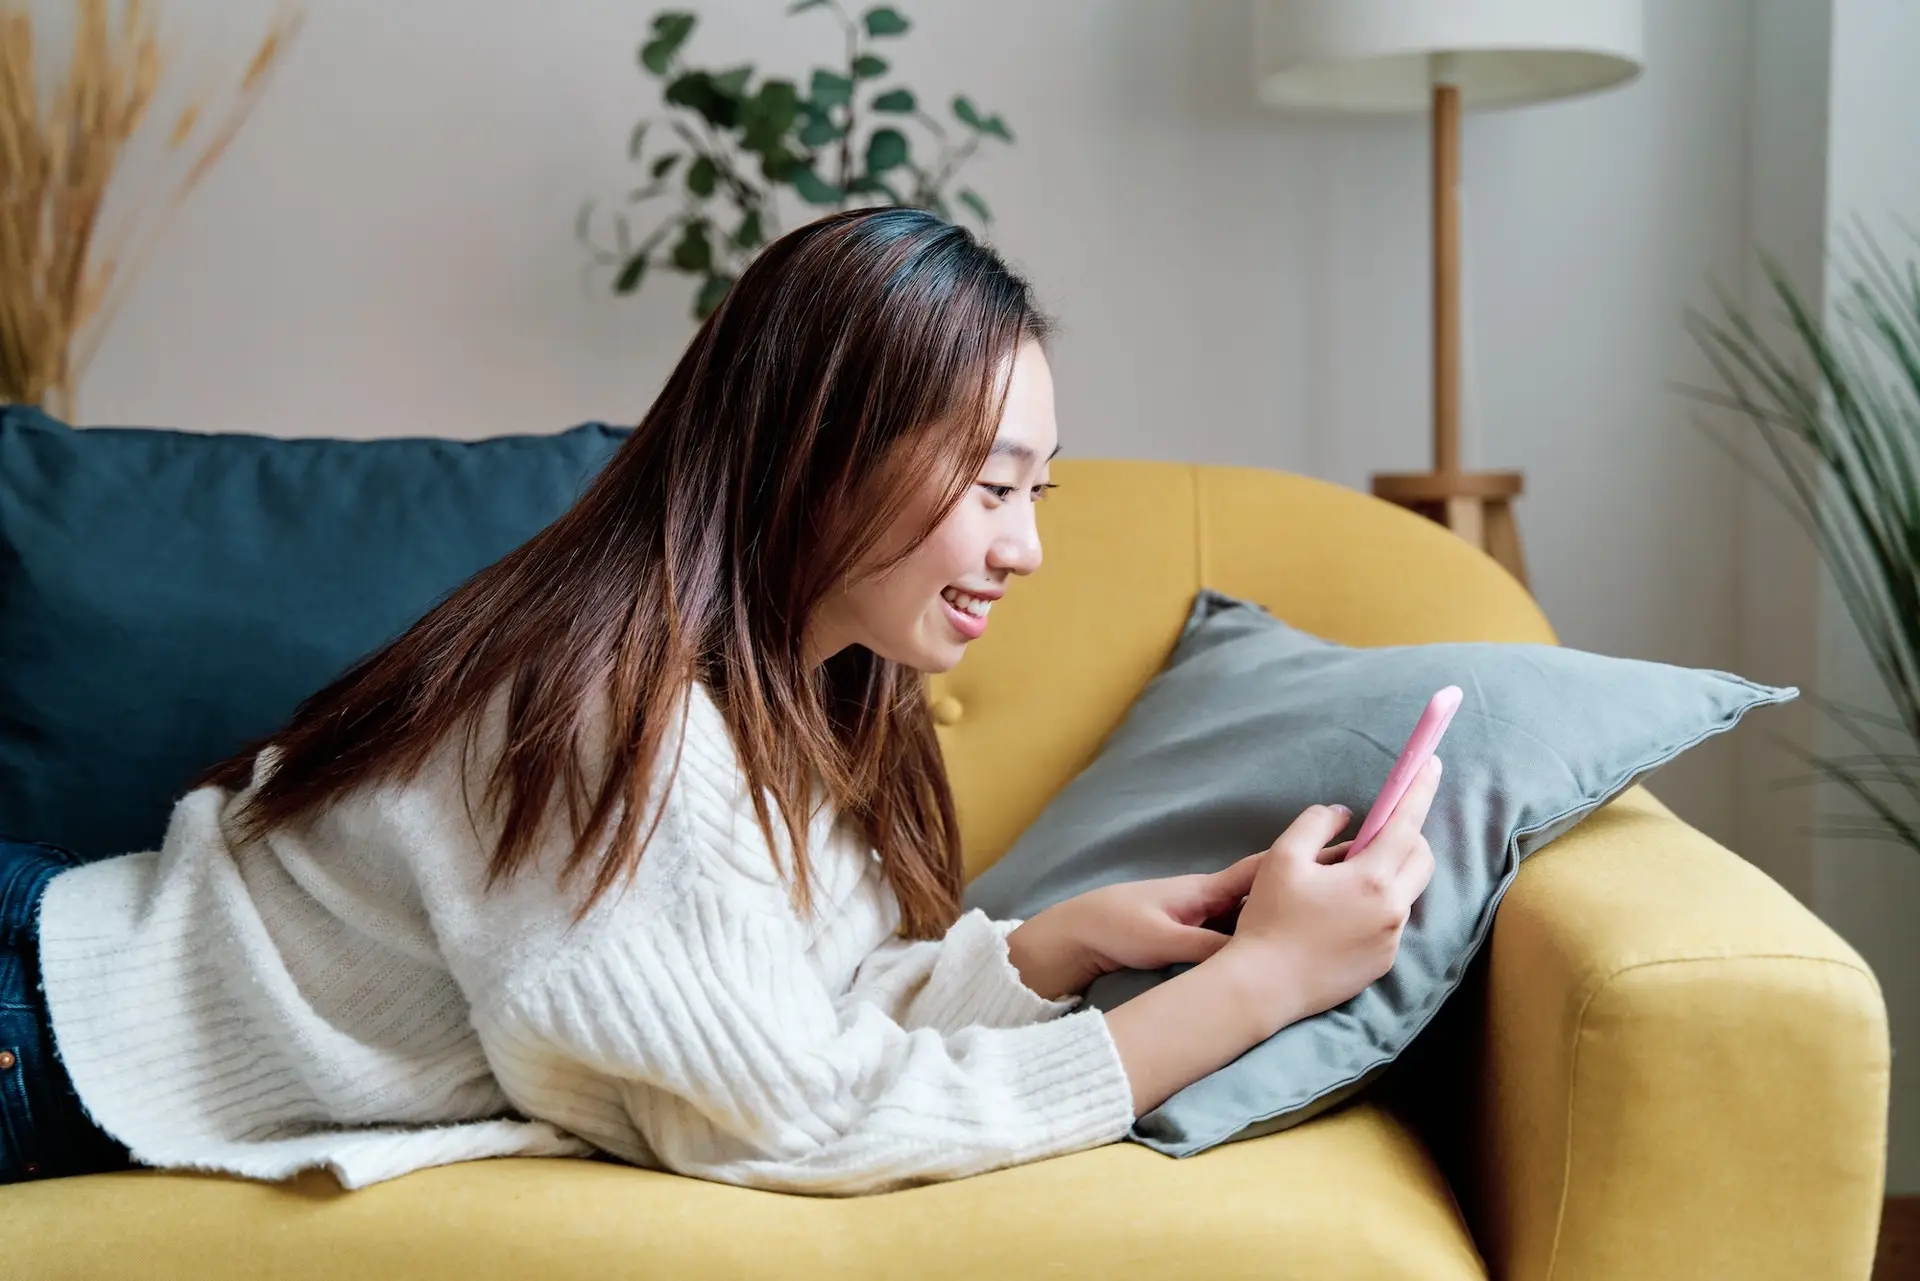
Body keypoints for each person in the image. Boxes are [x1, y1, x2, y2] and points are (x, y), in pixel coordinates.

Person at [0, 207, 1438, 1196]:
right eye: (993, 487)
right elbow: (796, 1120)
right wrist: (1263, 988)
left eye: (1034, 493)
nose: (1027, 545)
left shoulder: (801, 701)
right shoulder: (624, 729)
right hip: (36, 1023)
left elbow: (785, 1018)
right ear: (824, 452)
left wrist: (1047, 954)